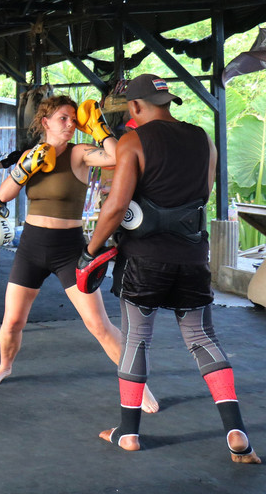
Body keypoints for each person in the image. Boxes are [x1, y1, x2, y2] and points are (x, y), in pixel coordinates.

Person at [84, 74, 259, 462]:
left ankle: (128, 433)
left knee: (136, 339)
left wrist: (89, 250)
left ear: (134, 106)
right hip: (192, 257)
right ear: (167, 101)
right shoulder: (203, 139)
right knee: (202, 338)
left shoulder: (132, 142)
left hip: (144, 260)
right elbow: (204, 195)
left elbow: (116, 207)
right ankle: (236, 431)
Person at [0, 94, 159, 413]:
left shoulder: (79, 153)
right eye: (63, 118)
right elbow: (4, 194)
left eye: (73, 119)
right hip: (31, 247)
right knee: (12, 321)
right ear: (45, 122)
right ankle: (5, 366)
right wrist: (25, 168)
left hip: (69, 250)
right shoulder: (33, 155)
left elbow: (118, 157)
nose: (70, 124)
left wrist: (100, 130)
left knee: (98, 324)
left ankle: (138, 385)